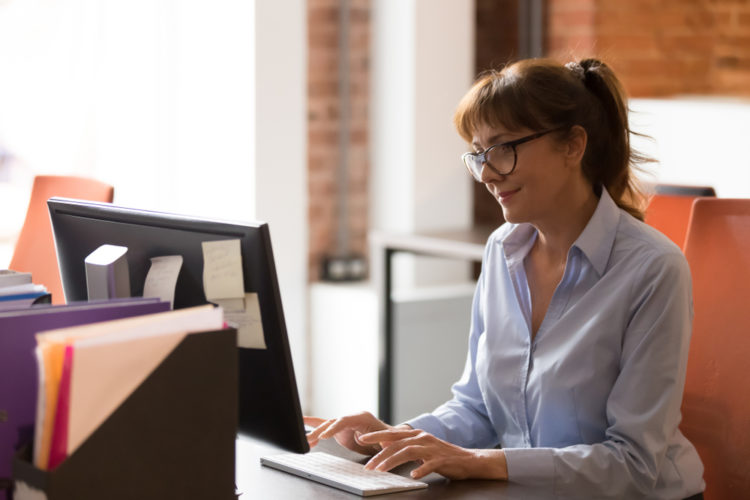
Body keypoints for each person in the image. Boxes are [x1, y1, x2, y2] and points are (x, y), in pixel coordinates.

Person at [306, 58, 705, 499]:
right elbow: (478, 409)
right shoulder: (502, 250)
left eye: (503, 148)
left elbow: (634, 464)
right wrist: (394, 437)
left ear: (573, 145)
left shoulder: (652, 269)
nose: (489, 173)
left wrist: (485, 462)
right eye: (478, 154)